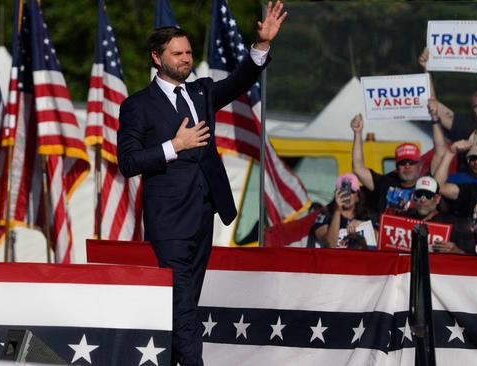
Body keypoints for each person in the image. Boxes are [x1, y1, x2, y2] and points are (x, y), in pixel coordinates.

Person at [117, 2, 287, 365]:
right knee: (181, 302)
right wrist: (173, 146)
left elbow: (240, 81)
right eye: (177, 53)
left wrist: (261, 45)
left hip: (203, 215)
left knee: (187, 302)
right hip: (168, 221)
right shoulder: (138, 106)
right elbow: (128, 162)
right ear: (156, 57)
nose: (185, 58)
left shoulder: (201, 92)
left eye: (189, 52)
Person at [350, 114, 421, 216]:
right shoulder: (385, 182)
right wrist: (357, 133)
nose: (407, 166)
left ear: (419, 165)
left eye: (411, 162)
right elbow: (358, 168)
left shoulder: (427, 187)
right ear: (396, 167)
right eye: (402, 163)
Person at [401, 176, 476, 254]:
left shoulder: (455, 225)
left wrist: (457, 251)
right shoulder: (403, 220)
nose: (422, 200)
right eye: (419, 194)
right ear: (414, 197)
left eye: (428, 195)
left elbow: (475, 261)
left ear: (437, 199)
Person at [309, 173, 373, 248]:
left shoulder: (365, 215)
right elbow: (330, 245)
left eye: (351, 191)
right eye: (343, 191)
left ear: (358, 196)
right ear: (337, 193)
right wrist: (337, 209)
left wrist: (363, 226)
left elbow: (380, 242)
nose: (347, 195)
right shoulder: (325, 214)